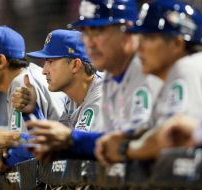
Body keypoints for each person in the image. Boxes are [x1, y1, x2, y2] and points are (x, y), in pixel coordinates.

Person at [26, 0, 163, 162]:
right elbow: (102, 143)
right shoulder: (110, 80)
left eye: (98, 31)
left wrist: (70, 140)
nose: (89, 43)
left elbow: (135, 139)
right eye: (86, 32)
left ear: (127, 32)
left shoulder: (147, 71)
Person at [95, 0, 202, 165]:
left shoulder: (187, 67)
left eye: (149, 38)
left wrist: (125, 148)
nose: (139, 48)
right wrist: (133, 136)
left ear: (177, 43)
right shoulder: (170, 79)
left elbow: (171, 138)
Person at [0, 26, 63, 187]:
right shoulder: (30, 75)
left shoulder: (21, 83)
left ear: (0, 61)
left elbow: (31, 153)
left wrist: (1, 161)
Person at [13, 29, 103, 188]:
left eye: (51, 61)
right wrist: (32, 111)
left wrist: (11, 140)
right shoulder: (72, 100)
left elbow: (73, 153)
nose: (44, 70)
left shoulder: (101, 94)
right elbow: (53, 148)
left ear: (75, 64)